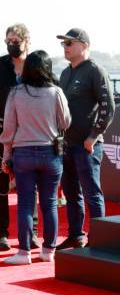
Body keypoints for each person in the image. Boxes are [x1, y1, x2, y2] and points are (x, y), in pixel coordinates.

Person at [0, 50, 71, 264]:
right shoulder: (56, 92)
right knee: (49, 204)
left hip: (23, 153)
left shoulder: (16, 93)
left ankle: (24, 252)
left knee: (25, 203)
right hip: (50, 153)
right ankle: (48, 250)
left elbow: (9, 129)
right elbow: (66, 122)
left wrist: (5, 157)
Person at [55, 28, 115, 250]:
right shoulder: (64, 73)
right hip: (67, 144)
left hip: (87, 146)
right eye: (64, 43)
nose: (65, 47)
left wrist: (92, 136)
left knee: (92, 194)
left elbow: (108, 108)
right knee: (71, 194)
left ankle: (100, 239)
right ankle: (75, 236)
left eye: (70, 43)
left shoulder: (95, 71)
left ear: (84, 45)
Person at [0, 23, 39, 251]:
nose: (11, 45)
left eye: (16, 41)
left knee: (29, 184)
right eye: (8, 41)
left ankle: (31, 233)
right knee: (1, 182)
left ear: (27, 41)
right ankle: (1, 234)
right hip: (2, 132)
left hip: (29, 133)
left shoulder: (36, 65)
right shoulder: (0, 65)